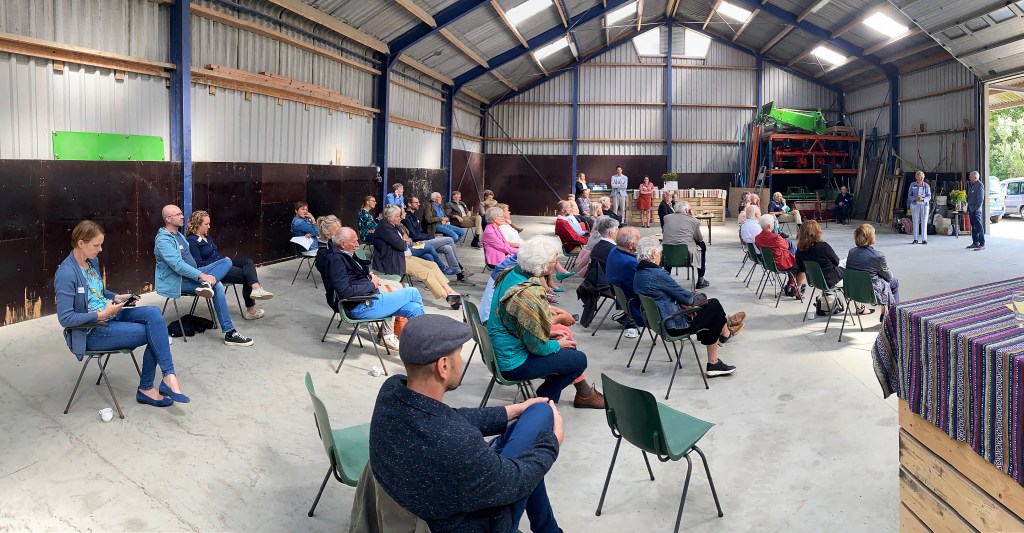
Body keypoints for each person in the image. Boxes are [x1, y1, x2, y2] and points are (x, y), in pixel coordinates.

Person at [369, 314, 564, 533]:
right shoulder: (457, 445)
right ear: (443, 366)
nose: (460, 361)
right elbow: (517, 482)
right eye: (459, 355)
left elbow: (447, 417)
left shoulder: (391, 391)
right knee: (541, 415)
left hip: (423, 497)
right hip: (477, 523)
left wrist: (511, 411)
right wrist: (552, 443)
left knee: (523, 432)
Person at [56, 220, 190, 408]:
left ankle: (168, 376)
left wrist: (118, 297)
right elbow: (65, 318)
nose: (100, 249)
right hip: (91, 331)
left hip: (111, 314)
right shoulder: (66, 273)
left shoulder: (91, 261)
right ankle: (148, 388)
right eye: (96, 245)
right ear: (80, 243)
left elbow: (97, 292)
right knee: (155, 334)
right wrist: (102, 314)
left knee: (153, 313)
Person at [489, 238, 605, 409]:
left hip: (505, 349)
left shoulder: (512, 273)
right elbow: (538, 348)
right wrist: (557, 344)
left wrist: (548, 330)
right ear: (541, 265)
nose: (556, 264)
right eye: (554, 261)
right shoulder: (528, 293)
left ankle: (565, 400)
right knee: (578, 359)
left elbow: (518, 321)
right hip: (513, 363)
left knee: (566, 346)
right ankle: (539, 403)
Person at [634, 237, 742, 377]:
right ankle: (714, 361)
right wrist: (696, 295)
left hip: (657, 322)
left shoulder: (639, 274)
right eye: (660, 253)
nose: (661, 256)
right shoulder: (657, 274)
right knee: (714, 307)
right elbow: (687, 299)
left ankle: (723, 334)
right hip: (674, 324)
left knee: (711, 310)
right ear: (653, 253)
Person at [155, 205, 254, 347]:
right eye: (178, 214)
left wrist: (203, 274)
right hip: (177, 280)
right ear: (168, 219)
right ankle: (230, 333)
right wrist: (202, 275)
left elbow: (191, 262)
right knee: (217, 286)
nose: (182, 216)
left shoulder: (179, 236)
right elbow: (178, 266)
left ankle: (208, 284)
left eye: (181, 213)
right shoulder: (163, 240)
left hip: (192, 273)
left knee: (226, 261)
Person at [316, 218, 401, 350]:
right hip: (346, 296)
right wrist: (369, 284)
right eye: (338, 232)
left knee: (399, 286)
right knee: (393, 294)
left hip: (361, 282)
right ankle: (387, 335)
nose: (342, 233)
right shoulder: (330, 255)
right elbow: (342, 284)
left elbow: (355, 267)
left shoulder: (340, 248)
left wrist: (368, 274)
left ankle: (387, 330)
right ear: (328, 235)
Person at [326, 226, 425, 322]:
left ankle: (421, 332)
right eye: (354, 242)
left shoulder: (346, 254)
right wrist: (372, 285)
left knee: (415, 308)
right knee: (413, 292)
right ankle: (427, 329)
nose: (357, 244)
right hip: (362, 306)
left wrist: (369, 275)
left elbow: (355, 276)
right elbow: (345, 292)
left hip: (370, 300)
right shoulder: (336, 260)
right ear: (343, 244)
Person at [186, 211, 273, 321]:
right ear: (197, 224)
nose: (209, 226)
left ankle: (256, 287)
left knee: (248, 261)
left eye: (209, 223)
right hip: (215, 270)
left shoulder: (206, 236)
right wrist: (220, 263)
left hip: (223, 262)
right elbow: (198, 264)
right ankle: (252, 310)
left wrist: (224, 259)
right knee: (248, 276)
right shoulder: (192, 241)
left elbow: (214, 253)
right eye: (206, 224)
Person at [373, 205, 464, 309]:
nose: (399, 218)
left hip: (401, 256)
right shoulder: (385, 228)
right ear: (390, 217)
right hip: (392, 260)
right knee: (426, 272)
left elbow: (403, 241)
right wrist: (405, 242)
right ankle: (448, 297)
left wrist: (405, 241)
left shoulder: (392, 225)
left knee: (432, 265)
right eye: (397, 216)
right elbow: (402, 245)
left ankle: (450, 290)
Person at [404, 196, 471, 283]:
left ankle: (458, 274)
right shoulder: (407, 217)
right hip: (418, 243)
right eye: (416, 202)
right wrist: (432, 237)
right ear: (409, 204)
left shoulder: (414, 215)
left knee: (447, 248)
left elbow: (420, 233)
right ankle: (459, 266)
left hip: (424, 238)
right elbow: (415, 236)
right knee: (449, 239)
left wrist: (431, 236)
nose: (419, 204)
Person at [847, 224, 900, 309]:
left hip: (853, 290)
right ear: (869, 237)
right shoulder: (877, 256)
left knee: (879, 279)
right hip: (871, 293)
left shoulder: (851, 252)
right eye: (874, 234)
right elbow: (889, 276)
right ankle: (894, 313)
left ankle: (887, 310)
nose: (875, 236)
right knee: (894, 281)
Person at [604, 227, 645, 337]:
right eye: (638, 239)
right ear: (631, 245)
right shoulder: (629, 263)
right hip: (636, 304)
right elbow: (642, 288)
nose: (640, 242)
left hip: (623, 297)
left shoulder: (614, 251)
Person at [754, 214, 806, 299]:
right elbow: (786, 245)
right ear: (770, 225)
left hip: (769, 264)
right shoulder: (775, 237)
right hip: (781, 264)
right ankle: (797, 288)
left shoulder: (757, 238)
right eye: (773, 223)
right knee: (803, 266)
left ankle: (791, 284)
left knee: (795, 264)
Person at [663, 201, 710, 289]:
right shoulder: (694, 220)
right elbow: (699, 238)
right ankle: (701, 279)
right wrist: (692, 216)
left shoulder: (666, 218)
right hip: (686, 256)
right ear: (687, 210)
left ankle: (665, 279)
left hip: (668, 255)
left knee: (671, 245)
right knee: (702, 245)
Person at [795, 220, 842, 288]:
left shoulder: (799, 250)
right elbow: (836, 262)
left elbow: (802, 269)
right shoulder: (824, 247)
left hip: (814, 281)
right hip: (831, 281)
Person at [908, 171, 931, 244]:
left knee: (924, 221)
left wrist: (923, 199)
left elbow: (929, 196)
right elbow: (909, 195)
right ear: (916, 177)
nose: (920, 178)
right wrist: (915, 199)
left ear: (924, 177)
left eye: (922, 177)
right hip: (915, 205)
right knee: (915, 221)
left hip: (924, 205)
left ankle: (924, 239)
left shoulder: (926, 186)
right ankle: (916, 239)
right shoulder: (912, 185)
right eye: (919, 177)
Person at [966, 171, 985, 250]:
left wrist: (976, 209)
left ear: (975, 177)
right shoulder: (972, 185)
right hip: (971, 209)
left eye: (970, 176)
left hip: (975, 210)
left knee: (978, 226)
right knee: (973, 226)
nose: (969, 177)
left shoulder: (979, 185)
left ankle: (982, 243)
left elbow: (980, 199)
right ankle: (975, 242)